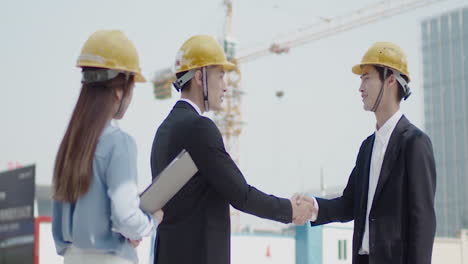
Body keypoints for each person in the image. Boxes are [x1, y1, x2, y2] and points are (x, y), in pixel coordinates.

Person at [150, 35, 315, 264]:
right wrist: (289, 210)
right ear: (200, 77)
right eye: (220, 75)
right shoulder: (199, 128)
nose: (226, 86)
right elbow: (240, 195)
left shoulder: (164, 130)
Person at [305, 42, 437, 264]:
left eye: (366, 77)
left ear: (390, 80)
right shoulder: (367, 147)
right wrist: (314, 207)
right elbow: (349, 205)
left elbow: (422, 220)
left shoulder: (415, 143)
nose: (360, 87)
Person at [52, 29, 162, 264]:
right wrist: (149, 221)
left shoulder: (69, 146)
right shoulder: (118, 143)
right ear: (120, 89)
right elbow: (125, 216)